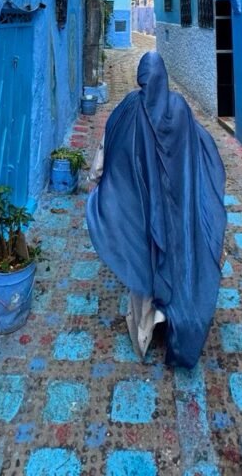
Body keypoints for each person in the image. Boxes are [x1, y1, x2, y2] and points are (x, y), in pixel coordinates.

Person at [86, 51, 226, 368]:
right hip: (176, 208)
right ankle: (174, 319)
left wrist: (99, 183)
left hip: (141, 208)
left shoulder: (128, 109)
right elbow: (200, 149)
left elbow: (106, 152)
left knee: (143, 265)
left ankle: (143, 334)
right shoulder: (178, 109)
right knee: (178, 264)